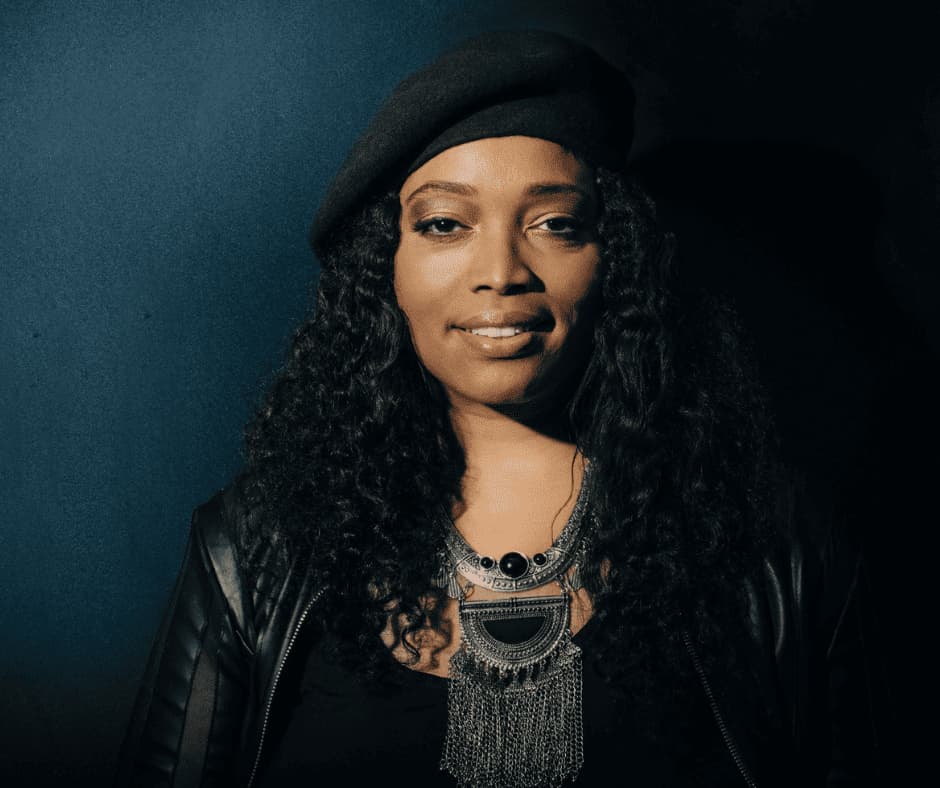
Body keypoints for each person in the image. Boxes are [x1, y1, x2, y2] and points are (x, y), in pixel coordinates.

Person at [116, 30, 884, 787]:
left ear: (616, 257)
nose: (503, 273)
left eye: (555, 224)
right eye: (445, 224)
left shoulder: (774, 545)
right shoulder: (252, 550)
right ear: (383, 269)